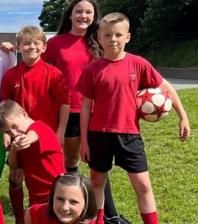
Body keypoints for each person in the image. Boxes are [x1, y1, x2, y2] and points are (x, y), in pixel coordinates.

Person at [76, 12, 190, 224]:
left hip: (129, 134)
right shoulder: (93, 69)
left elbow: (165, 87)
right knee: (97, 181)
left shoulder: (138, 63)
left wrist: (182, 116)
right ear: (100, 38)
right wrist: (84, 141)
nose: (113, 39)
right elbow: (85, 106)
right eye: (108, 35)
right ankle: (99, 221)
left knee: (143, 185)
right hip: (99, 134)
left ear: (128, 36)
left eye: (118, 34)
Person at [42, 1, 129, 223]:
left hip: (98, 112)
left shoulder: (100, 41)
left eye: (88, 12)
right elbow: (35, 64)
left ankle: (110, 215)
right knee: (71, 161)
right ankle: (69, 210)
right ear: (70, 15)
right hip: (69, 111)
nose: (83, 15)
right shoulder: (55, 44)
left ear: (94, 16)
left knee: (98, 164)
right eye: (78, 11)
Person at [0, 25, 70, 224]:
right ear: (18, 47)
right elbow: (4, 105)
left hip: (45, 137)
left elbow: (65, 103)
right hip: (18, 136)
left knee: (47, 178)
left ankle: (54, 212)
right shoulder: (11, 75)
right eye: (26, 43)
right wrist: (6, 134)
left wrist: (60, 132)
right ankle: (21, 219)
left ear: (44, 47)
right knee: (16, 178)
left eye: (36, 43)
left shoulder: (54, 73)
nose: (31, 47)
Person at [0, 100, 66, 213]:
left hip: (56, 193)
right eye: (8, 132)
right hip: (36, 197)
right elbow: (14, 166)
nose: (13, 133)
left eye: (14, 126)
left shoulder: (40, 128)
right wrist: (14, 148)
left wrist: (25, 140)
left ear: (23, 114)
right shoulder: (20, 140)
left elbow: (34, 135)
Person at [25, 174, 97, 224]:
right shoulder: (38, 214)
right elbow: (31, 212)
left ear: (86, 204)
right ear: (52, 197)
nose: (64, 207)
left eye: (73, 202)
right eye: (60, 199)